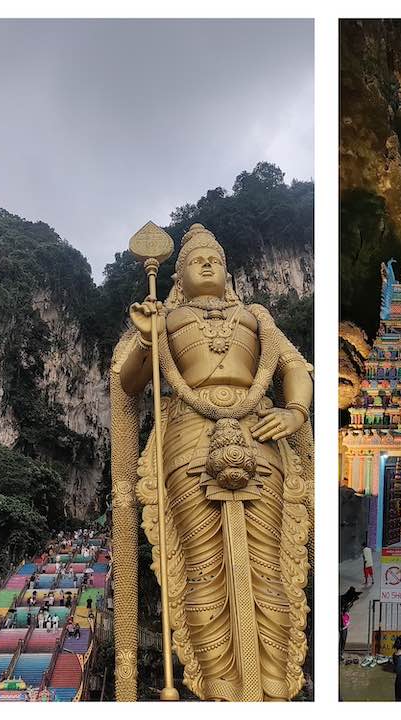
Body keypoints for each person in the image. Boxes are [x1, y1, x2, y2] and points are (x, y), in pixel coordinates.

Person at [112, 224, 314, 701]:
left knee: (270, 570)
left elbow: (294, 367)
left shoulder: (256, 316)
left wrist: (295, 412)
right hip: (188, 438)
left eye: (216, 260)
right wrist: (145, 340)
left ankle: (273, 687)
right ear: (178, 274)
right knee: (201, 567)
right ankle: (220, 690)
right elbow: (127, 383)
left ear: (227, 271)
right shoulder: (163, 317)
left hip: (259, 433)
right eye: (197, 260)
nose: (208, 265)